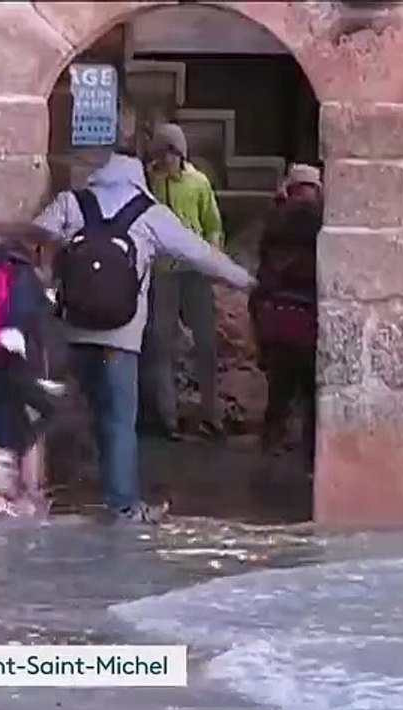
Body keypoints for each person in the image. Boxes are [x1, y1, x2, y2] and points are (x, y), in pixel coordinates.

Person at [34, 150, 255, 523]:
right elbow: (200, 253)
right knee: (119, 419)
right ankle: (122, 505)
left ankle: (47, 487)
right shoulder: (149, 215)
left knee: (64, 409)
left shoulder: (72, 204)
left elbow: (33, 236)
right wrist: (247, 281)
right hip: (119, 340)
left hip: (72, 333)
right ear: (138, 178)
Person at [0, 223, 65, 527]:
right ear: (35, 248)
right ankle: (11, 480)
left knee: (17, 423)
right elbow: (21, 313)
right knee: (54, 410)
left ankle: (12, 500)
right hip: (15, 360)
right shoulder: (21, 272)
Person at [143, 123, 226, 440]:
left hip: (193, 272)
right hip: (163, 273)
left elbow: (213, 224)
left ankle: (210, 412)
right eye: (160, 154)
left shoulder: (198, 183)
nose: (164, 160)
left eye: (169, 153)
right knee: (161, 345)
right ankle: (168, 416)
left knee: (206, 343)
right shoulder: (150, 183)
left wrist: (212, 255)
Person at [250, 196, 320, 472]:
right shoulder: (318, 235)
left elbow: (261, 289)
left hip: (280, 327)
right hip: (309, 328)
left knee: (280, 392)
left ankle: (270, 446)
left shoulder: (274, 235)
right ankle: (312, 459)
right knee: (312, 396)